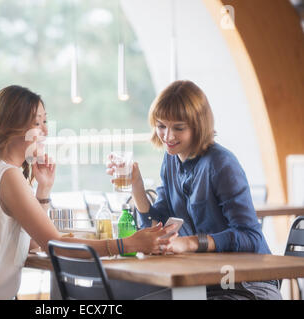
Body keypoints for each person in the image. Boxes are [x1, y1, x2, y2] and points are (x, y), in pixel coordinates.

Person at [0, 85, 176, 300]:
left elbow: (28, 245)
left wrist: (43, 190)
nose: (46, 131)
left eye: (45, 121)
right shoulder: (7, 175)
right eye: (37, 123)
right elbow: (55, 246)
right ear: (12, 128)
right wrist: (126, 243)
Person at [106, 80, 282, 300]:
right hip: (201, 282)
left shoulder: (221, 164)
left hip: (246, 284)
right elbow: (158, 227)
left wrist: (189, 243)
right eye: (161, 126)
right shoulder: (170, 161)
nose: (168, 137)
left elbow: (250, 236)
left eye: (178, 128)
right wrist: (137, 186)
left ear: (198, 126)